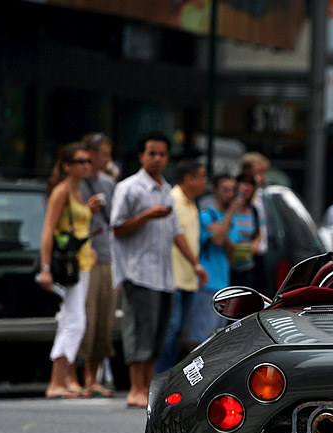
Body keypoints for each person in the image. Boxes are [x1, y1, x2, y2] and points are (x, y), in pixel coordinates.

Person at [110, 132, 207, 409]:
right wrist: (145, 216)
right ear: (141, 156)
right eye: (151, 153)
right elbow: (116, 228)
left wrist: (195, 264)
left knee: (159, 333)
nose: (157, 159)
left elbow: (176, 232)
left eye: (162, 154)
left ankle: (148, 387)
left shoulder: (165, 189)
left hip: (165, 275)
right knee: (140, 331)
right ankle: (136, 388)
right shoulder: (129, 188)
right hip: (138, 272)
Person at [36, 143, 100, 399]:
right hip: (66, 267)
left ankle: (59, 381)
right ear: (66, 166)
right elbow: (48, 230)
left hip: (81, 263)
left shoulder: (78, 191)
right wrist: (45, 268)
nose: (86, 165)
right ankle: (56, 381)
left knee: (69, 321)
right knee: (75, 323)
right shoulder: (61, 191)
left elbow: (77, 230)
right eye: (80, 161)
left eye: (88, 161)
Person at [76, 132, 118, 398]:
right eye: (104, 154)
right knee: (86, 320)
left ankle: (94, 378)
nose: (108, 159)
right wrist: (87, 211)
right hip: (86, 258)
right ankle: (79, 378)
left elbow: (115, 219)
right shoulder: (76, 184)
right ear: (90, 155)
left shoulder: (109, 183)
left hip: (108, 257)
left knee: (105, 321)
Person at [155, 158, 207, 373]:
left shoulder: (191, 202)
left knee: (178, 332)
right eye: (202, 177)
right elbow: (175, 236)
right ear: (188, 179)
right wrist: (196, 264)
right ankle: (160, 374)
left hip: (188, 278)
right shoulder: (173, 199)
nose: (205, 182)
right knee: (171, 328)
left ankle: (168, 374)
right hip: (173, 275)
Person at [190, 174, 240, 349]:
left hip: (223, 287)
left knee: (215, 341)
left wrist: (221, 230)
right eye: (225, 190)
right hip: (207, 285)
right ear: (215, 191)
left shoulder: (230, 221)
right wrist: (229, 217)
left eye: (233, 190)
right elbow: (218, 241)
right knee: (200, 339)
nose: (230, 194)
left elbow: (233, 250)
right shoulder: (206, 216)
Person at [240, 151, 270, 292]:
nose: (261, 178)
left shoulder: (262, 196)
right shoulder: (242, 199)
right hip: (244, 254)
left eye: (263, 173)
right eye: (257, 172)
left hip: (260, 253)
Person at [228, 172, 261, 289]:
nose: (246, 188)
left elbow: (258, 234)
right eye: (243, 183)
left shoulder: (254, 211)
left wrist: (252, 247)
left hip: (246, 266)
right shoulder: (227, 208)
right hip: (228, 266)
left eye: (250, 185)